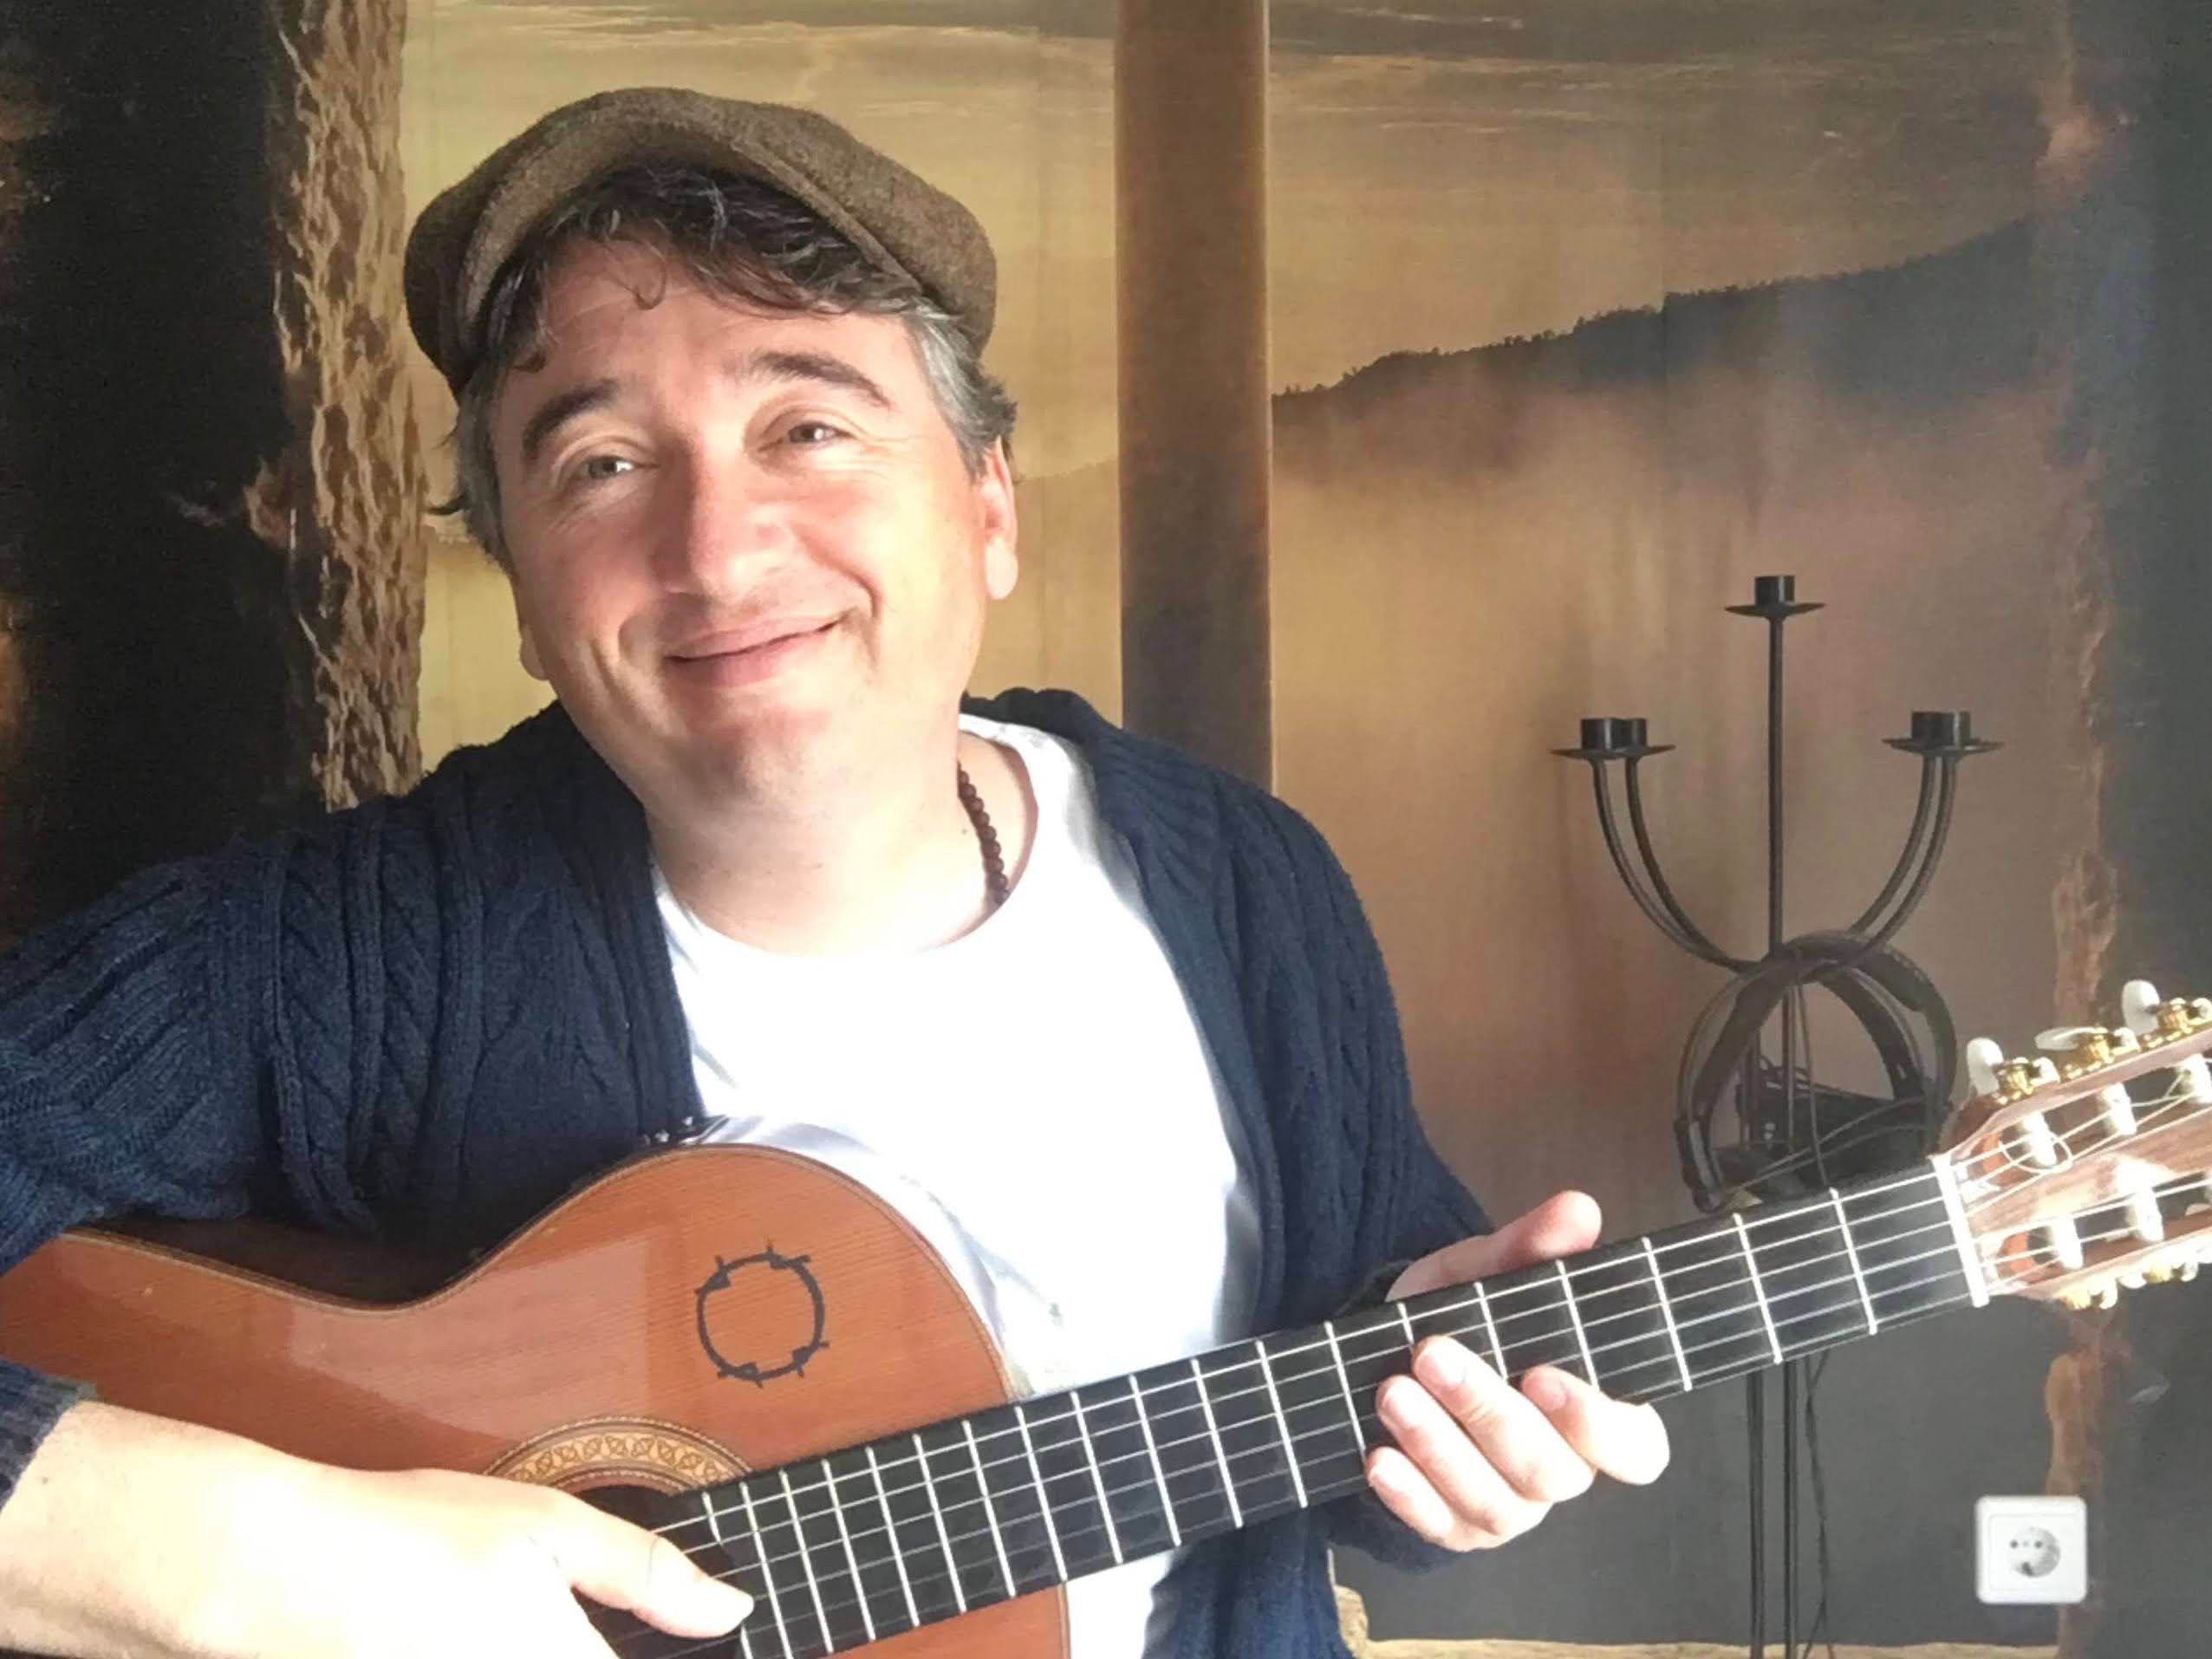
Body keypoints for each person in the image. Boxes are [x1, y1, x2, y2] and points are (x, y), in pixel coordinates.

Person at [0, 88, 1667, 1659]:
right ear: (524, 593)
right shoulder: (348, 957)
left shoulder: (1248, 886)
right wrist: (259, 1560)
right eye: (601, 464)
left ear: (989, 506)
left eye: (806, 425)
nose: (716, 548)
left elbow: (1368, 1360)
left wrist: (1451, 1445)